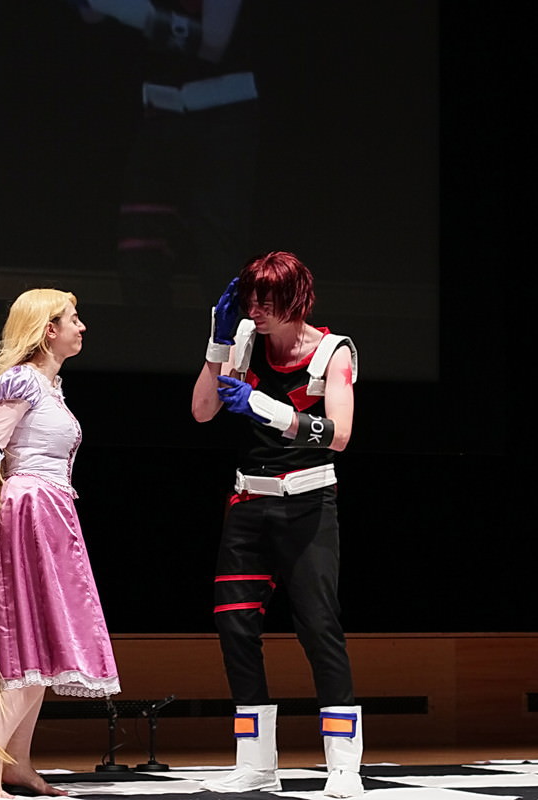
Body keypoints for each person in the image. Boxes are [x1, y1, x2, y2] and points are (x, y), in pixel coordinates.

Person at [191, 251, 363, 797]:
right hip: (248, 504)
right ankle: (256, 763)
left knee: (318, 626)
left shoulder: (332, 351)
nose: (256, 310)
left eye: (267, 301)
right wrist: (218, 344)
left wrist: (264, 406)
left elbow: (338, 435)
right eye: (250, 300)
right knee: (235, 626)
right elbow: (202, 410)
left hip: (308, 504)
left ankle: (343, 765)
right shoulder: (244, 339)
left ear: (296, 299)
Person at [0, 289, 120, 798]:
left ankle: (16, 760)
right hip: (33, 510)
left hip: (52, 511)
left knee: (46, 638)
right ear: (48, 330)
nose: (81, 327)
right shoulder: (23, 380)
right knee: (36, 637)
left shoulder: (50, 386)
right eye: (73, 318)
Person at [73, 0, 259, 307]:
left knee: (219, 253)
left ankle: (232, 336)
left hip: (222, 121)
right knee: (140, 251)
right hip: (160, 116)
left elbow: (212, 42)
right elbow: (90, 11)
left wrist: (128, 10)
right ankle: (148, 334)